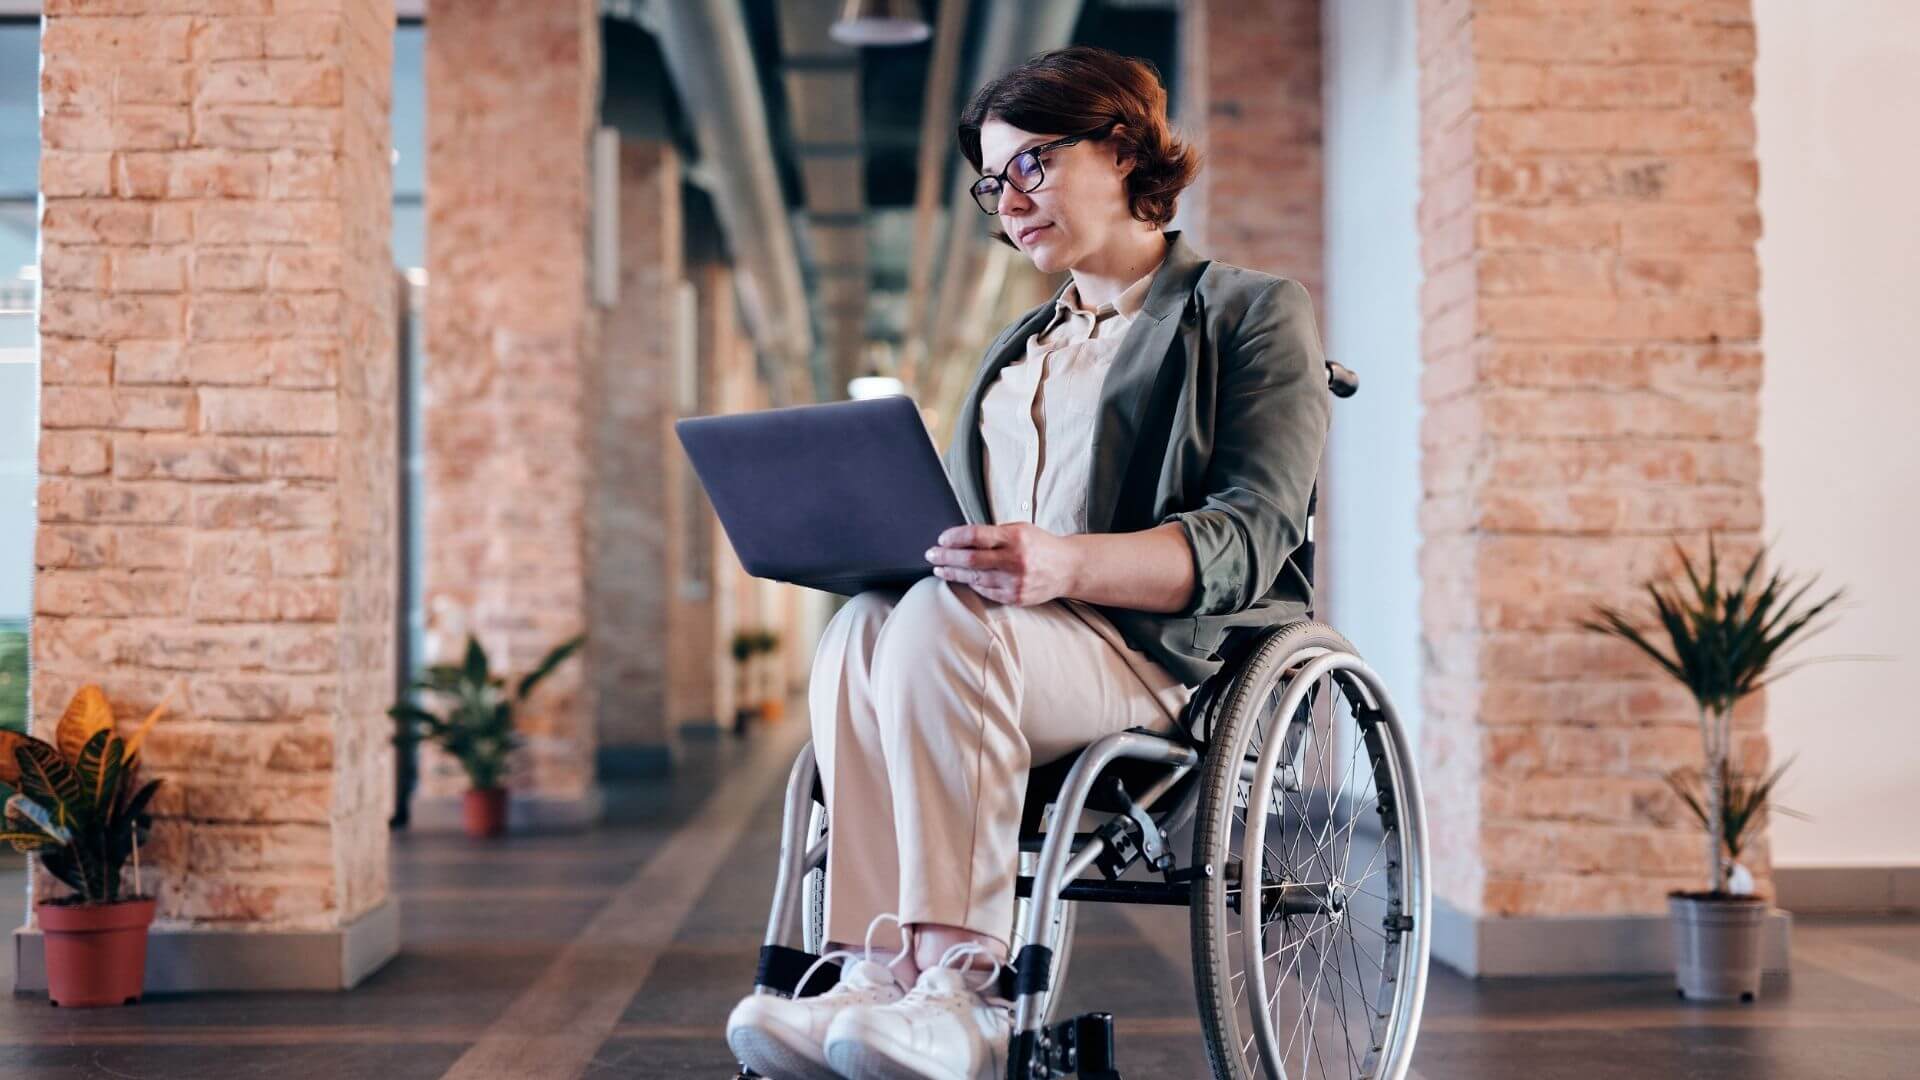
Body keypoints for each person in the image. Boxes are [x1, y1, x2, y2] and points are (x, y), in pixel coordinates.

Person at [728, 44, 1331, 1080]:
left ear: (1120, 145)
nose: (1007, 200)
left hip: (1151, 661)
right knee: (870, 619)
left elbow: (1253, 533)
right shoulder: (1017, 350)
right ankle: (873, 966)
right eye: (990, 182)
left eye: (1031, 165)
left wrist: (1062, 564)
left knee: (933, 623)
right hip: (999, 651)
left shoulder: (1244, 313)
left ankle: (965, 992)